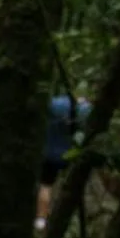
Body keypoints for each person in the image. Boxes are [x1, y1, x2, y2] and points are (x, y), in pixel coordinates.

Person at [38, 91, 89, 228]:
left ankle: (41, 219)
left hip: (48, 152)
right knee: (63, 186)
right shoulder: (84, 109)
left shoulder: (54, 103)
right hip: (69, 154)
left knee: (45, 186)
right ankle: (56, 217)